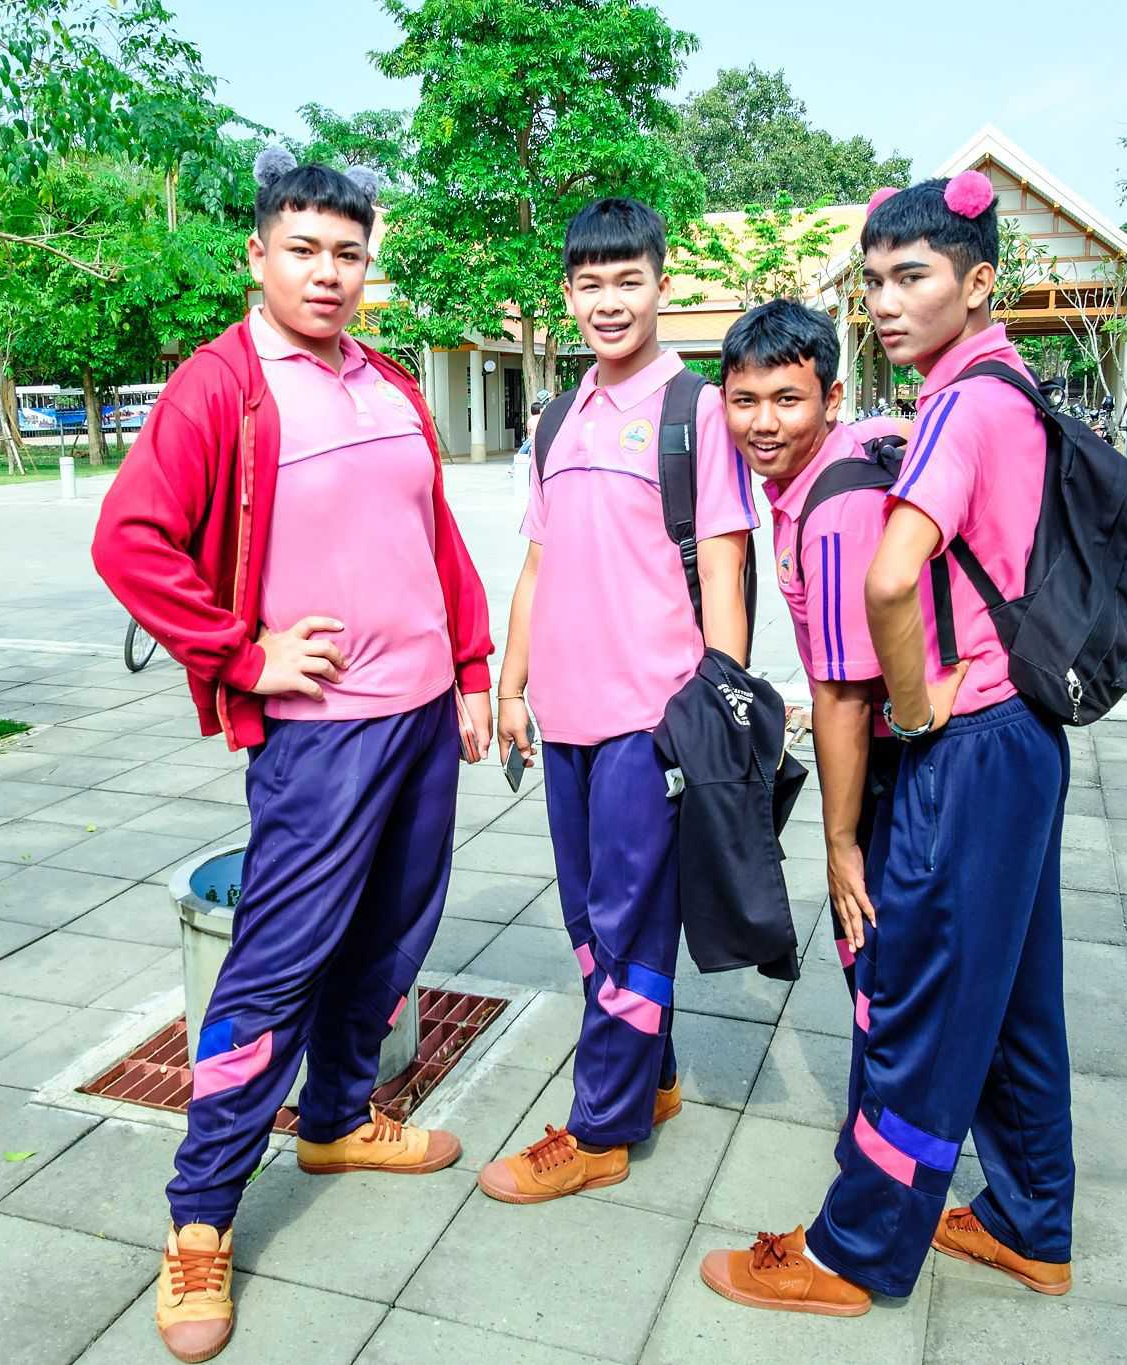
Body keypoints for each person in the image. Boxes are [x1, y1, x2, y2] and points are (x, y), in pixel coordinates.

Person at [92, 150, 495, 1363]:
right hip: (320, 738)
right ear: (257, 256)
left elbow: (433, 536)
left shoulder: (388, 381)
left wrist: (472, 668)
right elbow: (130, 541)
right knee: (272, 971)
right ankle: (200, 1220)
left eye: (347, 254)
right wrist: (239, 653)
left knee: (390, 941)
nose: (327, 273)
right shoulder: (220, 386)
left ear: (368, 266)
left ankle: (334, 1120)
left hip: (422, 719)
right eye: (304, 250)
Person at [698, 171, 1074, 1316]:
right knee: (1012, 997)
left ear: (978, 281)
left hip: (969, 747)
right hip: (1019, 736)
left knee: (909, 998)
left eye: (912, 277)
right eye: (873, 280)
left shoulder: (939, 420)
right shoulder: (983, 387)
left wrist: (863, 800)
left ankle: (854, 1250)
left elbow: (876, 611)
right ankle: (1028, 1221)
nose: (888, 301)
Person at [481, 197, 755, 1204]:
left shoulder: (696, 412)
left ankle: (598, 1127)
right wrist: (512, 685)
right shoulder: (557, 417)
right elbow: (536, 565)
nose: (608, 302)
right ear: (566, 293)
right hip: (565, 717)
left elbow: (722, 569)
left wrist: (718, 709)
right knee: (589, 921)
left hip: (651, 719)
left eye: (627, 281)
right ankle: (655, 1077)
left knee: (628, 922)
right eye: (589, 284)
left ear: (660, 284)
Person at [714, 299, 920, 968]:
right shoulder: (858, 445)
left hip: (897, 761)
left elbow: (845, 698)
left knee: (876, 959)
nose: (763, 423)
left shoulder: (832, 515)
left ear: (831, 399)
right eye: (744, 401)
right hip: (918, 742)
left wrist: (839, 843)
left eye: (787, 399)